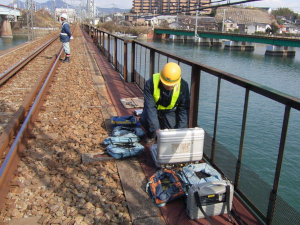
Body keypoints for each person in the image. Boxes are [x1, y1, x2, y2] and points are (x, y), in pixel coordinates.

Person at [140, 62, 190, 144]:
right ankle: (151, 135)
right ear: (161, 77)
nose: (169, 87)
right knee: (147, 121)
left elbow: (184, 109)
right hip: (154, 109)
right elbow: (150, 107)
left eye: (172, 85)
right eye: (166, 84)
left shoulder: (183, 86)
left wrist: (181, 130)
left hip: (169, 111)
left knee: (171, 131)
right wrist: (155, 129)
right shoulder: (150, 83)